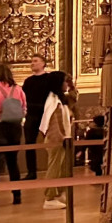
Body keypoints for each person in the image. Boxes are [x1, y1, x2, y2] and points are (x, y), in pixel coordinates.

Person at [0, 62, 26, 205]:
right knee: (12, 162)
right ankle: (17, 194)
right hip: (14, 128)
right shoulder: (18, 89)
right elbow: (24, 108)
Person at [22, 57, 66, 179]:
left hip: (46, 113)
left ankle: (53, 171)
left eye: (35, 61)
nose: (32, 63)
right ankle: (31, 172)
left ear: (43, 64)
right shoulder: (28, 81)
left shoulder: (49, 79)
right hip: (31, 115)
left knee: (52, 142)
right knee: (29, 143)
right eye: (31, 61)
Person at [42, 73, 77, 209]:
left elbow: (74, 98)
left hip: (62, 139)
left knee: (61, 169)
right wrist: (61, 139)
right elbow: (54, 124)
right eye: (64, 81)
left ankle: (57, 194)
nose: (66, 84)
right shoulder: (53, 101)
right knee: (54, 168)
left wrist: (72, 84)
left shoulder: (60, 98)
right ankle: (49, 197)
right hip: (56, 140)